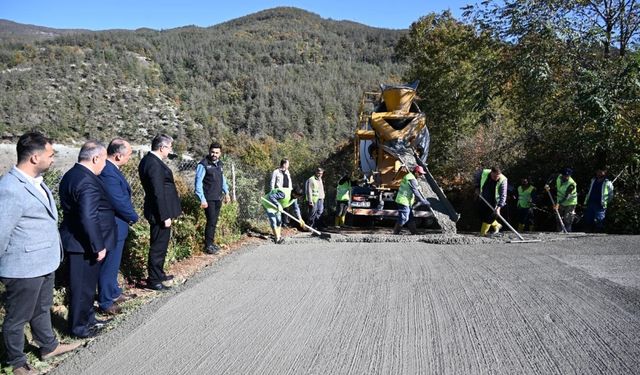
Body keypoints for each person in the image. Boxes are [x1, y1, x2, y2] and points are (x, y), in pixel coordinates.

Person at [0, 132, 81, 375]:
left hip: (44, 262)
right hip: (22, 266)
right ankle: (16, 363)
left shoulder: (37, 181)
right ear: (35, 157)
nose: (53, 159)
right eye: (50, 155)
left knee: (42, 307)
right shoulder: (10, 188)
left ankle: (48, 346)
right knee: (17, 318)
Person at [59, 140, 117, 338]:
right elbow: (88, 216)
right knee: (82, 287)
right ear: (95, 158)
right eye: (103, 161)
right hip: (84, 244)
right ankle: (79, 327)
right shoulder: (86, 180)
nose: (104, 165)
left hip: (81, 241)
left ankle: (89, 319)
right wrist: (97, 245)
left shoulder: (73, 175)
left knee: (87, 286)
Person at [97, 138, 139, 315]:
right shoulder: (108, 172)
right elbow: (118, 200)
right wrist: (133, 216)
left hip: (118, 224)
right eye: (128, 154)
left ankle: (114, 292)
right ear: (118, 155)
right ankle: (106, 301)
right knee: (110, 263)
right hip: (113, 224)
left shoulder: (112, 169)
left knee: (114, 262)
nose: (129, 158)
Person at [138, 134, 182, 291]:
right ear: (162, 147)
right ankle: (154, 279)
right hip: (159, 213)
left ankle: (159, 272)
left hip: (160, 211)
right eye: (170, 147)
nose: (170, 150)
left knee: (161, 244)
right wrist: (164, 215)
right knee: (158, 246)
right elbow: (157, 192)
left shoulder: (151, 161)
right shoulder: (153, 164)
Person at [194, 142, 230, 255]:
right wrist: (202, 199)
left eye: (217, 152)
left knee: (214, 221)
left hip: (218, 197)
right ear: (209, 151)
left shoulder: (219, 164)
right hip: (208, 198)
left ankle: (211, 242)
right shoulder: (203, 164)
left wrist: (227, 192)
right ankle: (208, 246)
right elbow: (198, 183)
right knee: (210, 221)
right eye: (212, 152)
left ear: (220, 153)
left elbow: (222, 180)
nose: (214, 154)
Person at [394, 165, 431, 234]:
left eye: (422, 174)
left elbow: (413, 188)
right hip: (403, 200)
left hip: (406, 201)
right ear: (416, 172)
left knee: (410, 218)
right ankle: (396, 233)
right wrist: (422, 200)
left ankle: (414, 232)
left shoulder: (410, 176)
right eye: (420, 174)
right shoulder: (412, 179)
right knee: (404, 218)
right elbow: (415, 191)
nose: (421, 175)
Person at [475, 167, 508, 236]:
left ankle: (482, 233)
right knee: (481, 214)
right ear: (491, 173)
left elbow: (503, 195)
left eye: (497, 176)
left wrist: (499, 207)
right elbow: (477, 178)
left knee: (490, 217)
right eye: (494, 176)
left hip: (494, 201)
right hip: (484, 197)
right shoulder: (484, 173)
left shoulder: (503, 180)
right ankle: (497, 225)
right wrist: (477, 187)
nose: (496, 178)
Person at [545, 167, 577, 232]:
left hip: (570, 203)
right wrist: (547, 184)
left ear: (569, 176)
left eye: (567, 176)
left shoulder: (571, 184)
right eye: (564, 175)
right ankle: (559, 231)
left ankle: (568, 231)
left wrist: (558, 203)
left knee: (567, 218)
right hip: (560, 200)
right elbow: (552, 176)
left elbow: (566, 197)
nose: (565, 177)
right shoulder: (559, 176)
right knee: (558, 217)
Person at [582, 167, 614, 232]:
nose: (598, 173)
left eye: (600, 172)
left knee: (599, 219)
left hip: (600, 204)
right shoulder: (593, 180)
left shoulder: (607, 182)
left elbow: (611, 194)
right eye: (597, 171)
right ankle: (588, 231)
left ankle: (598, 233)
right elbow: (589, 191)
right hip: (590, 202)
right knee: (588, 218)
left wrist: (606, 201)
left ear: (605, 172)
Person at [270, 158, 292, 226]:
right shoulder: (276, 172)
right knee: (279, 207)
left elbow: (289, 181)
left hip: (287, 192)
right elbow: (272, 181)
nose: (288, 165)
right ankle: (279, 223)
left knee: (286, 207)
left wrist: (291, 189)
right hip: (279, 192)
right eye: (287, 164)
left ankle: (285, 222)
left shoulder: (287, 172)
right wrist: (272, 190)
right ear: (284, 164)